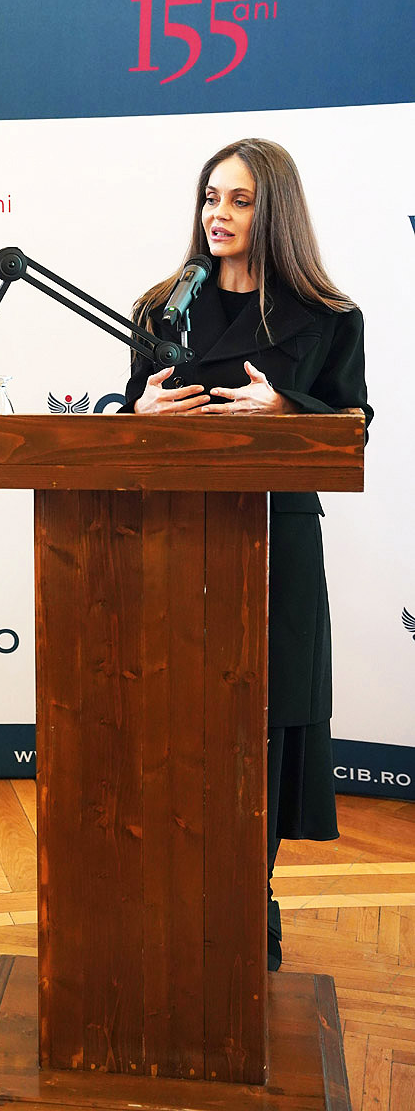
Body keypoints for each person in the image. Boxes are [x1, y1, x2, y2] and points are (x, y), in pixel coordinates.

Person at [121, 138, 372, 971]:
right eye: (209, 197)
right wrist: (134, 417)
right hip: (169, 537)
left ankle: (246, 895)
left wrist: (285, 412)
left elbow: (351, 429)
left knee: (257, 724)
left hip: (273, 544)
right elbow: (123, 417)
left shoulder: (328, 316)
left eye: (238, 200)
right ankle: (162, 891)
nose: (217, 214)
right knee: (169, 717)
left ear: (275, 213)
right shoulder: (161, 309)